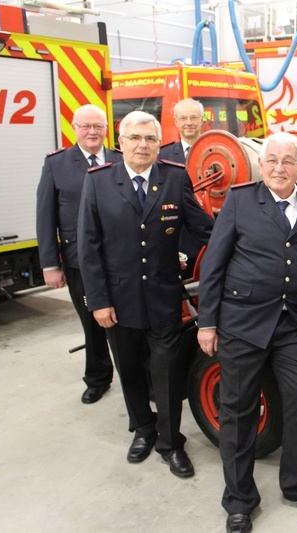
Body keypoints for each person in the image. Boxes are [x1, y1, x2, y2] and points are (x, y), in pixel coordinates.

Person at [196, 132, 297, 533]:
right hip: (242, 321)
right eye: (272, 160)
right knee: (238, 409)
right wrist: (207, 323)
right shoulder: (240, 201)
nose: (279, 168)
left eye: (287, 161)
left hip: (292, 322)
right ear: (261, 165)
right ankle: (239, 500)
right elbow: (213, 266)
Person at [77, 111, 214, 478]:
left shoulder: (174, 177)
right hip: (118, 301)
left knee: (166, 372)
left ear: (158, 144)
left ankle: (171, 443)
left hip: (163, 298)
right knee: (130, 369)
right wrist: (98, 301)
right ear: (120, 143)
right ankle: (143, 429)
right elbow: (89, 248)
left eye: (150, 139)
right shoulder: (98, 181)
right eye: (135, 138)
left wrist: (242, 241)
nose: (143, 145)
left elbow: (203, 228)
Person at [36, 104, 122, 404]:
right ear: (74, 129)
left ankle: (140, 380)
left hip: (120, 259)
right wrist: (50, 264)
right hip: (79, 261)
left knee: (126, 324)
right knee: (92, 322)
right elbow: (45, 216)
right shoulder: (56, 164)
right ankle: (98, 379)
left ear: (106, 130)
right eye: (85, 126)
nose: (92, 132)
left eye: (98, 126)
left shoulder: (120, 159)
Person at [159, 98, 206, 275]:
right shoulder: (162, 156)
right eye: (183, 118)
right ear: (176, 122)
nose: (189, 123)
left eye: (193, 117)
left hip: (210, 238)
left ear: (202, 120)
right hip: (179, 241)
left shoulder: (218, 150)